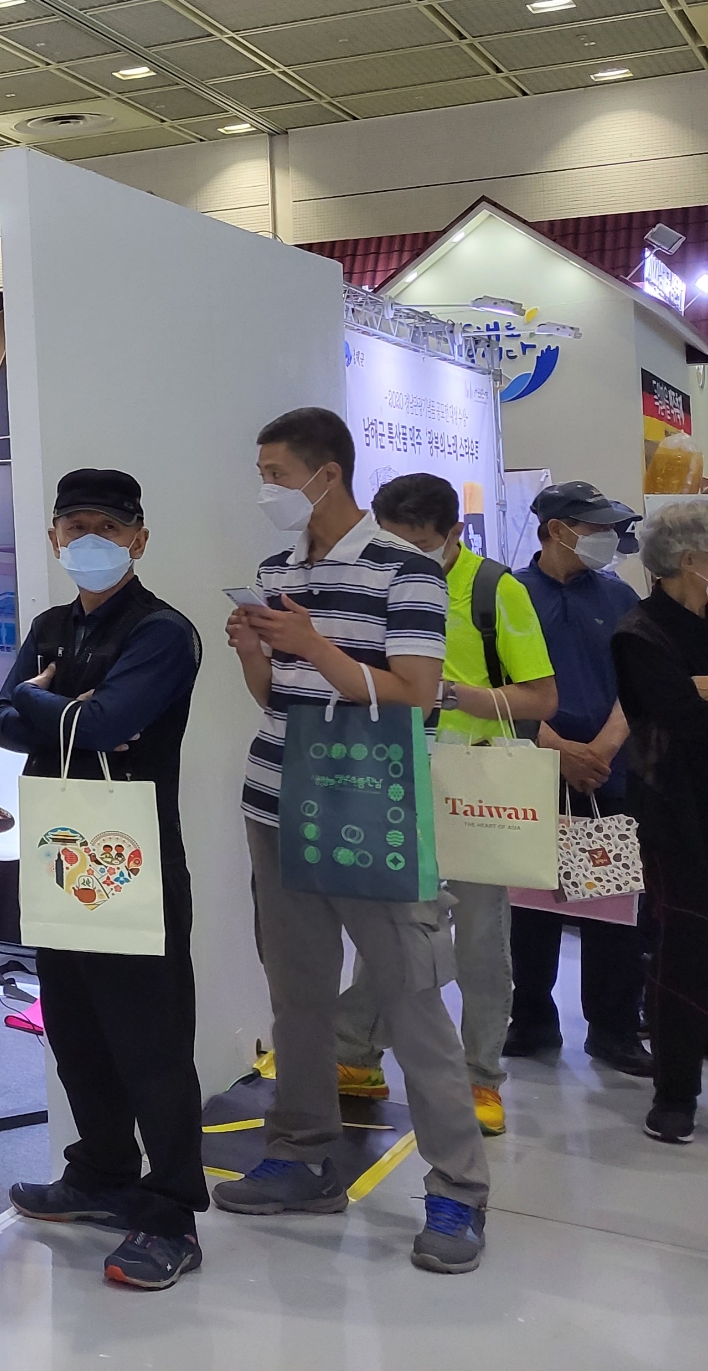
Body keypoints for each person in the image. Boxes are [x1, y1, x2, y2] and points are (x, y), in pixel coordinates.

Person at [221, 407, 489, 1274]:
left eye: (274, 473)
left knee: (412, 998)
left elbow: (414, 691)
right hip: (276, 801)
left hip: (371, 809)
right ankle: (300, 1155)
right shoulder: (277, 569)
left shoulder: (406, 571)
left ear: (326, 473)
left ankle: (457, 1189)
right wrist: (256, 653)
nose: (266, 489)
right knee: (297, 996)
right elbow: (280, 698)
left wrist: (312, 642)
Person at [0, 469, 207, 1291]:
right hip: (59, 850)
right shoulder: (51, 627)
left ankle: (172, 1212)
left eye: (108, 528)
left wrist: (53, 705)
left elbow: (108, 720)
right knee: (76, 1026)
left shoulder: (164, 632)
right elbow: (4, 721)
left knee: (151, 1039)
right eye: (75, 525)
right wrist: (69, 711)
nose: (90, 541)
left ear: (139, 539)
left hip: (132, 856)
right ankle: (102, 1172)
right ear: (53, 536)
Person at [341, 473, 558, 1136]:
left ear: (453, 534)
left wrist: (453, 694)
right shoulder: (370, 582)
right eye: (391, 543)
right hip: (391, 778)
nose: (403, 558)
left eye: (419, 545)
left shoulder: (494, 589)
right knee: (388, 928)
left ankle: (480, 1076)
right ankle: (355, 1056)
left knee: (481, 940)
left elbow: (541, 697)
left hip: (474, 787)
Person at [510, 480, 651, 1077]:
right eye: (595, 528)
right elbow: (499, 686)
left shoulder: (618, 596)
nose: (607, 539)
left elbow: (638, 681)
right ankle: (531, 1019)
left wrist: (601, 750)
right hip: (532, 768)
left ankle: (613, 1029)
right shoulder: (510, 594)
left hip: (608, 772)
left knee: (610, 907)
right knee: (529, 907)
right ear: (557, 529)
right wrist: (560, 749)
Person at [610, 499, 708, 1144]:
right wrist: (693, 692)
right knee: (685, 949)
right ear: (691, 560)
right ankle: (675, 1093)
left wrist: (699, 688)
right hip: (678, 814)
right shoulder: (639, 632)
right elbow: (681, 718)